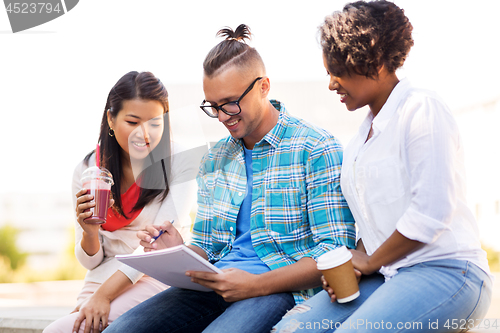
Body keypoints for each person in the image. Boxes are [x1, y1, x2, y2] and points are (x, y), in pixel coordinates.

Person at [103, 24, 355, 333]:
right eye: (213, 106)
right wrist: (177, 250)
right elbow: (208, 247)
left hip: (278, 289)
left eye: (231, 102)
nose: (222, 116)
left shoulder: (316, 148)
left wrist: (255, 285)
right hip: (215, 284)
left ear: (263, 87)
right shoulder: (216, 158)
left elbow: (335, 251)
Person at [272, 1, 493, 332]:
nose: (331, 84)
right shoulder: (362, 137)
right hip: (390, 273)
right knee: (291, 329)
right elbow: (374, 224)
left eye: (337, 70)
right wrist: (355, 265)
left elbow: (430, 213)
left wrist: (369, 261)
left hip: (448, 271)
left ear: (370, 61)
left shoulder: (421, 108)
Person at [43, 71, 198, 333]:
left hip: (157, 274)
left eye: (155, 123)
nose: (144, 134)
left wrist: (103, 297)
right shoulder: (88, 170)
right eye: (132, 121)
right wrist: (90, 233)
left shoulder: (178, 161)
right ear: (111, 119)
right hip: (103, 276)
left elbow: (156, 244)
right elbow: (91, 261)